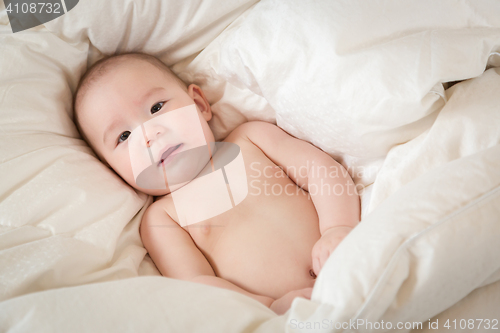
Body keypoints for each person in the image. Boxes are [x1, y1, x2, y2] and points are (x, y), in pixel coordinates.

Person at [73, 52, 360, 315]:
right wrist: (269, 307)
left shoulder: (250, 139)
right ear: (113, 170)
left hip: (352, 260)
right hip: (289, 316)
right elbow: (198, 285)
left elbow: (321, 170)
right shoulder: (162, 219)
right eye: (124, 136)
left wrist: (338, 227)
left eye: (156, 107)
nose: (148, 135)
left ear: (199, 104)